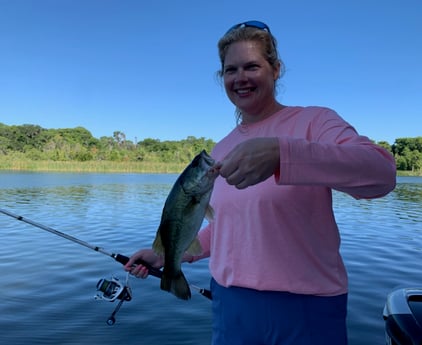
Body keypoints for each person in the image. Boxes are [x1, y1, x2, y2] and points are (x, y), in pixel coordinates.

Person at [124, 20, 396, 345]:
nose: (240, 78)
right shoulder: (221, 148)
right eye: (230, 70)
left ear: (276, 69)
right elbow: (228, 223)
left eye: (252, 66)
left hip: (308, 309)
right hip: (232, 307)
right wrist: (171, 255)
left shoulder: (314, 121)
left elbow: (382, 174)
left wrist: (283, 154)